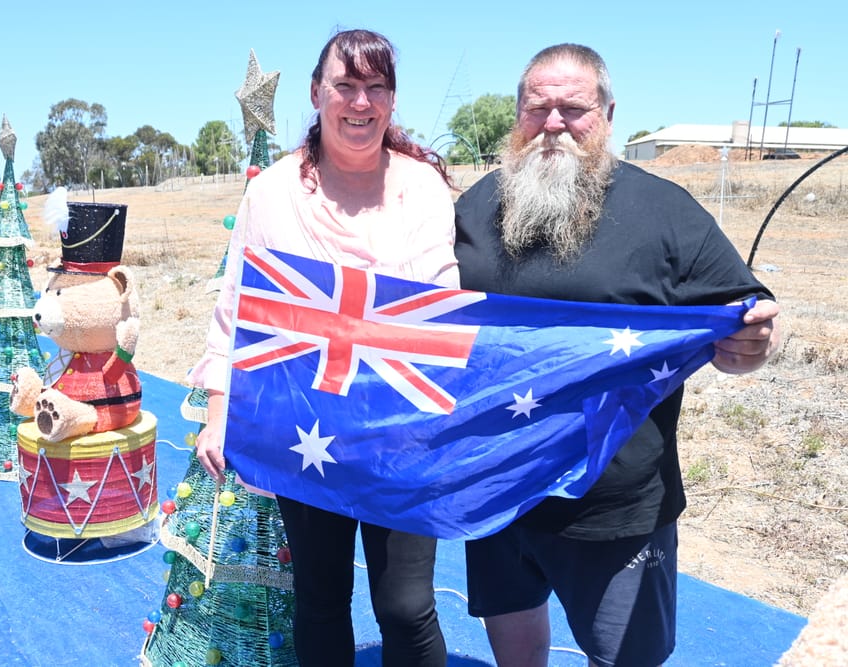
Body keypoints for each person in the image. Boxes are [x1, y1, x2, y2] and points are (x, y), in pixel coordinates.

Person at [454, 44, 781, 667]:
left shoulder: (666, 212)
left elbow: (741, 330)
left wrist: (750, 346)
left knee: (626, 655)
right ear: (518, 115)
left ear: (607, 113)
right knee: (510, 617)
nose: (553, 123)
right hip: (498, 480)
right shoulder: (475, 207)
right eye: (537, 108)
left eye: (572, 109)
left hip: (616, 501)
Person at [188, 29, 454, 667]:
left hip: (402, 427)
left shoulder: (423, 187)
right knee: (321, 596)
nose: (360, 102)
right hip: (305, 425)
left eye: (376, 87)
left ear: (391, 100)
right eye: (345, 85)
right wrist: (220, 411)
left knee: (406, 606)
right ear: (317, 93)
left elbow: (442, 305)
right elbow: (238, 308)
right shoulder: (272, 194)